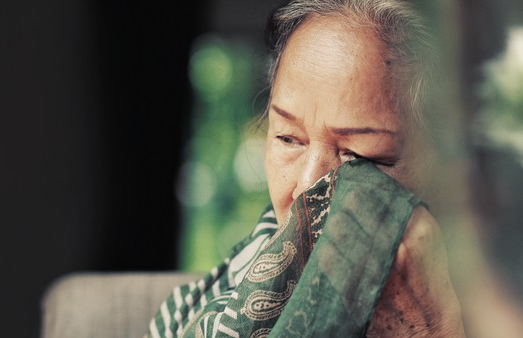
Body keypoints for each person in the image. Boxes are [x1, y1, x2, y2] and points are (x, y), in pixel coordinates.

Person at [146, 0, 521, 337]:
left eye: (363, 157)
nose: (306, 187)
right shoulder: (190, 314)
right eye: (288, 139)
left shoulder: (503, 309)